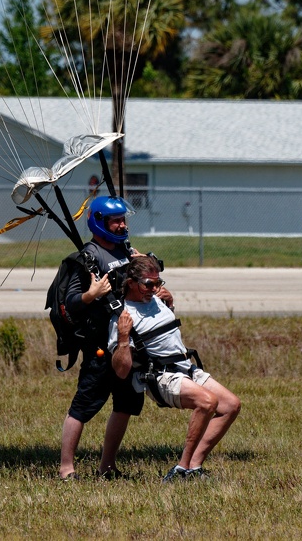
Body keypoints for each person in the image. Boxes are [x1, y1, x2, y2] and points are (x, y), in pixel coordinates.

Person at [57, 195, 172, 480]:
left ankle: (107, 467)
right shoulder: (88, 257)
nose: (122, 225)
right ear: (100, 223)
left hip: (129, 341)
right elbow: (70, 302)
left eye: (123, 219)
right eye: (115, 221)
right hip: (100, 345)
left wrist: (157, 290)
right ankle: (66, 468)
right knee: (83, 406)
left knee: (126, 405)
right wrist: (90, 295)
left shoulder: (128, 250)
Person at [109, 254, 241, 481]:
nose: (154, 288)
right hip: (159, 377)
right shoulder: (122, 316)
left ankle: (194, 466)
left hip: (184, 367)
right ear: (131, 283)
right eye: (149, 284)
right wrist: (123, 337)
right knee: (207, 402)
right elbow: (121, 371)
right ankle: (181, 469)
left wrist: (170, 304)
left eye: (158, 283)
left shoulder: (157, 300)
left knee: (231, 405)